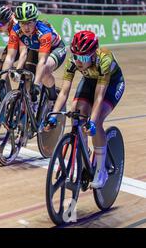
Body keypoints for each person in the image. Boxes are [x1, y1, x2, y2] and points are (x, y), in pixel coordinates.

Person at [46, 31, 125, 189]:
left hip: (111, 85)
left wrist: (93, 122)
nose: (78, 61)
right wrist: (53, 115)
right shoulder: (73, 61)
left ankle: (101, 170)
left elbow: (99, 97)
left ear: (94, 54)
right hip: (89, 80)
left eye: (83, 58)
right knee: (76, 113)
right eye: (75, 56)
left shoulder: (105, 59)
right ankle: (83, 148)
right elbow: (64, 92)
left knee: (97, 121)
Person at [0, 2, 67, 105]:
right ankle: (30, 105)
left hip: (56, 49)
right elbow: (10, 57)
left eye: (29, 23)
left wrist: (35, 85)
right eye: (22, 23)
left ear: (35, 21)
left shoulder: (44, 32)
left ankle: (52, 98)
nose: (26, 28)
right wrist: (2, 79)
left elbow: (42, 61)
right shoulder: (16, 30)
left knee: (44, 71)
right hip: (36, 50)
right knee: (27, 75)